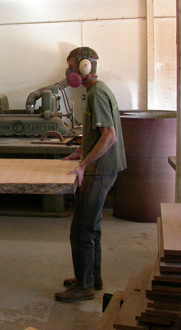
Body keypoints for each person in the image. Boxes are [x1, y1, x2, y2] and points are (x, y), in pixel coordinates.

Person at [55, 47, 126, 302]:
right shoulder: (97, 90)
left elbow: (109, 136)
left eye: (72, 66)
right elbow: (98, 134)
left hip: (100, 171)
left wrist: (84, 165)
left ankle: (83, 286)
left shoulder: (96, 93)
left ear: (84, 67)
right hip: (104, 168)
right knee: (92, 227)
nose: (69, 72)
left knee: (81, 230)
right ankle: (92, 278)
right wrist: (80, 151)